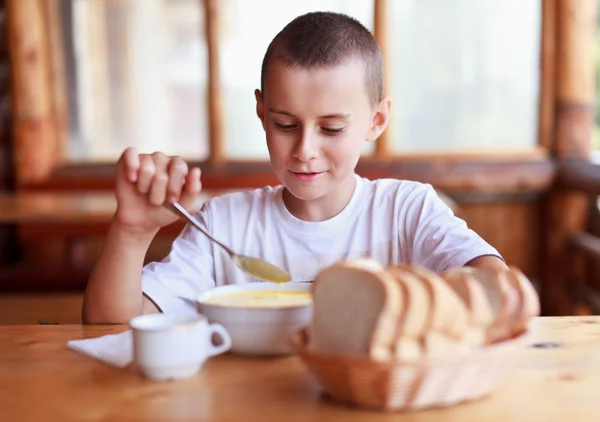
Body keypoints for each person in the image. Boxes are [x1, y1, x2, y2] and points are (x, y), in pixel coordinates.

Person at [82, 11, 507, 324]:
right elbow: (110, 326)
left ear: (376, 121)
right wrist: (132, 233)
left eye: (332, 128)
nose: (305, 150)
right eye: (286, 125)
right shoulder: (224, 226)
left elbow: (495, 286)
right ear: (262, 112)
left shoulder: (406, 210)